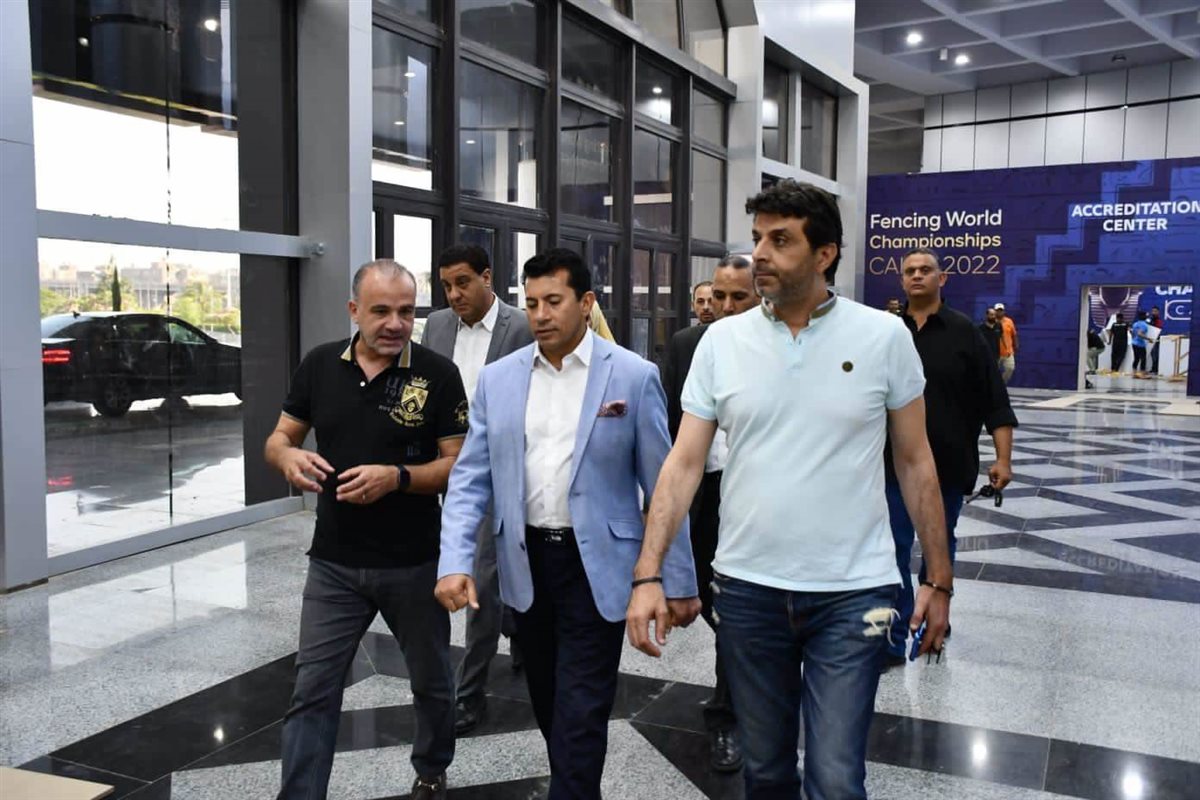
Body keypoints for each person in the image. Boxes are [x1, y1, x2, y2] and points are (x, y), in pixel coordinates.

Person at [627, 180, 952, 800]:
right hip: (748, 590)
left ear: (824, 254)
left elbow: (915, 462)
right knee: (767, 772)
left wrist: (938, 580)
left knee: (836, 778)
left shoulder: (883, 338)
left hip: (854, 591)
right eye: (758, 239)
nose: (760, 254)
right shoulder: (722, 342)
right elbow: (683, 465)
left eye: (780, 240)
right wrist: (648, 574)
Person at [435, 248, 699, 800]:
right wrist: (455, 561)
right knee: (551, 700)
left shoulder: (633, 375)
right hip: (526, 563)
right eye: (532, 303)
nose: (540, 315)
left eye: (553, 301)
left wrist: (675, 580)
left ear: (585, 302)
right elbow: (470, 479)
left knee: (582, 707)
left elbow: (665, 485)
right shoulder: (498, 380)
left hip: (597, 566)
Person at [266, 260, 466, 800]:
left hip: (415, 562)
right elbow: (279, 438)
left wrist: (397, 477)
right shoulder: (319, 365)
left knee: (431, 682)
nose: (396, 323)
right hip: (333, 563)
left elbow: (458, 466)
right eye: (381, 311)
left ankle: (432, 767)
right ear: (354, 310)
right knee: (313, 690)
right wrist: (287, 457)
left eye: (407, 311)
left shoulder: (437, 374)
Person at [421, 244, 534, 734]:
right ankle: (518, 628)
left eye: (463, 282)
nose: (454, 294)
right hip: (444, 465)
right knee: (455, 567)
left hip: (497, 468)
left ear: (487, 277)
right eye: (446, 285)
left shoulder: (522, 327)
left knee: (482, 579)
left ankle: (469, 693)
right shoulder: (436, 326)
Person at [884, 249, 1016, 667]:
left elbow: (995, 400)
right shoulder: (887, 332)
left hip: (948, 465)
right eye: (909, 271)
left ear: (942, 279)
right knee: (892, 546)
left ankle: (933, 620)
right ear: (902, 280)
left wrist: (1003, 459)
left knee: (939, 542)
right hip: (892, 465)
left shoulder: (966, 334)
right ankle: (896, 631)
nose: (917, 276)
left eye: (925, 270)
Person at [660, 252, 757, 773]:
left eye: (738, 296)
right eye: (718, 296)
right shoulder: (686, 345)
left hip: (751, 497)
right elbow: (668, 423)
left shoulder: (773, 348)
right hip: (700, 494)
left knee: (738, 608)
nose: (724, 306)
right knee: (705, 594)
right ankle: (748, 667)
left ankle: (728, 714)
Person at [994, 302, 1018, 383]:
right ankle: (993, 386)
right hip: (995, 352)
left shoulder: (1009, 321)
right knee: (992, 371)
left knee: (1010, 368)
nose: (999, 312)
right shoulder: (991, 322)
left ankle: (1001, 384)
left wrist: (1016, 344)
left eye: (1001, 311)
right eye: (997, 311)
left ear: (1004, 311)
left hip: (1008, 352)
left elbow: (1014, 334)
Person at [1131, 311, 1151, 378]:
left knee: (1136, 358)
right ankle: (1142, 373)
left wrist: (1134, 339)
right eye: (1145, 316)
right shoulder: (1144, 325)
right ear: (1143, 316)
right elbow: (1140, 334)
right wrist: (1148, 339)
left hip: (1134, 343)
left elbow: (1133, 333)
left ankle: (1134, 372)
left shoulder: (1135, 324)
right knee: (1143, 358)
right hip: (1140, 344)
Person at [1149, 306, 1164, 375]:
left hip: (1156, 339)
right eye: (1153, 311)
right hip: (1150, 339)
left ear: (1158, 312)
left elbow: (1158, 328)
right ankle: (1153, 368)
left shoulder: (1158, 320)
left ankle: (1155, 369)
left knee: (1155, 354)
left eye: (1155, 311)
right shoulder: (1150, 320)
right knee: (1152, 354)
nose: (1153, 312)